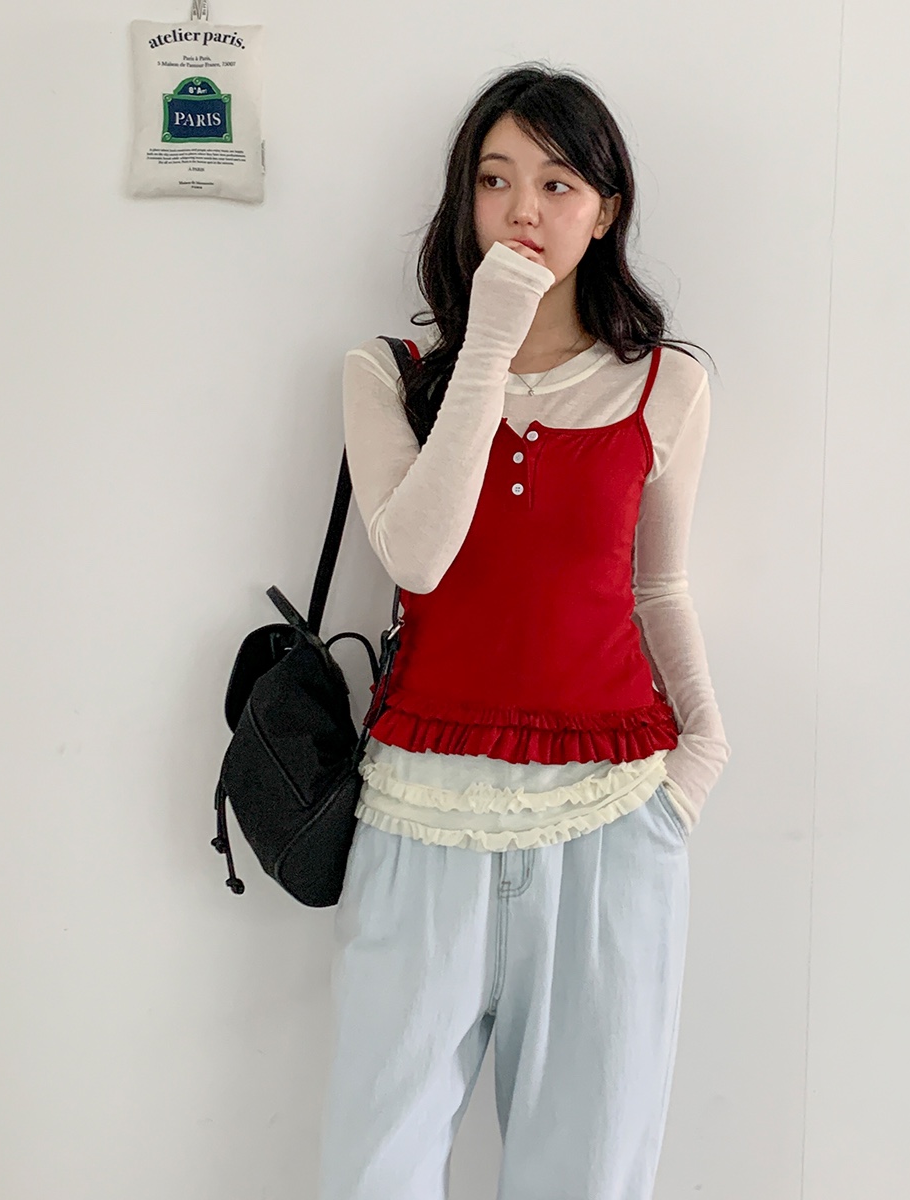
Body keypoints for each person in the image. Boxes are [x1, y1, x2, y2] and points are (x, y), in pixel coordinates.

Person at [316, 62, 730, 1200]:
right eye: (495, 181)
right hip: (419, 820)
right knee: (373, 1171)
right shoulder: (388, 375)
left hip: (611, 821)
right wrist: (491, 342)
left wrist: (702, 752)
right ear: (466, 203)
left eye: (557, 184)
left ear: (605, 210)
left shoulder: (666, 386)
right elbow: (417, 559)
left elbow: (659, 588)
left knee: (586, 1175)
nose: (523, 211)